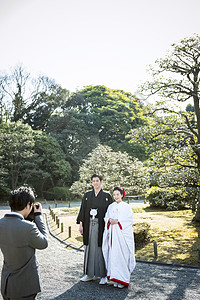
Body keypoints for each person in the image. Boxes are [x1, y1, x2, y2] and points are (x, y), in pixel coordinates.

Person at [0, 186, 48, 300]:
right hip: (25, 287)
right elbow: (44, 243)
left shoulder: (1, 223)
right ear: (28, 205)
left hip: (6, 284)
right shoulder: (28, 227)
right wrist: (38, 216)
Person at [77, 174, 113, 285]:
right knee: (89, 248)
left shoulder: (107, 196)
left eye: (97, 181)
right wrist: (81, 225)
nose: (95, 183)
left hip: (101, 226)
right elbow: (82, 211)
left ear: (101, 182)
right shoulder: (87, 195)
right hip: (88, 225)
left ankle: (103, 275)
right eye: (93, 181)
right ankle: (89, 274)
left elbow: (111, 212)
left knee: (101, 248)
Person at [102, 186, 136, 288]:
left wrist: (117, 221)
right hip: (112, 234)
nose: (116, 196)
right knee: (113, 255)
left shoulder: (126, 206)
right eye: (114, 194)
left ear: (122, 195)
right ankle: (114, 278)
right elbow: (106, 217)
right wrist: (109, 221)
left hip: (121, 235)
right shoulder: (111, 206)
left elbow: (128, 220)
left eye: (118, 194)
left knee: (122, 255)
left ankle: (123, 279)